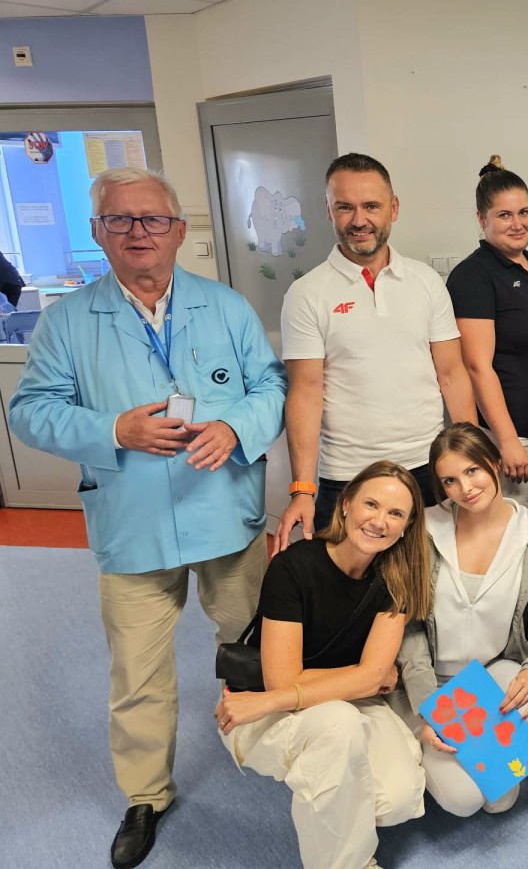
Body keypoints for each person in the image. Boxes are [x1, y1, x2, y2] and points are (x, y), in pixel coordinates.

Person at [9, 167, 286, 869]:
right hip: (132, 523)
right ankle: (145, 796)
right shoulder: (68, 321)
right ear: (98, 232)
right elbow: (30, 411)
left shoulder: (225, 306)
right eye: (120, 220)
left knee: (251, 641)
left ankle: (275, 752)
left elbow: (271, 386)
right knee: (137, 672)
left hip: (224, 509)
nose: (138, 232)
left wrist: (235, 427)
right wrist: (112, 430)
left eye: (153, 219)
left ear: (179, 230)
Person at [216, 461, 431, 869]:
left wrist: (367, 678)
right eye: (371, 504)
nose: (379, 521)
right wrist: (364, 677)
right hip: (260, 706)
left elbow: (369, 679)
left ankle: (329, 789)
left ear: (407, 526)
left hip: (344, 700)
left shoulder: (398, 578)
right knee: (337, 725)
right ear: (345, 503)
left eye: (395, 513)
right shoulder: (293, 566)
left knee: (397, 800)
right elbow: (281, 682)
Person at [275, 153, 476, 551]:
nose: (359, 220)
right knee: (348, 585)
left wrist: (470, 461)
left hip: (426, 466)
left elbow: (452, 374)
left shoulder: (426, 282)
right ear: (328, 211)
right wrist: (302, 488)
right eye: (344, 207)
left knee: (428, 580)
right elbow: (306, 392)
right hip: (347, 476)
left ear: (393, 209)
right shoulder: (306, 294)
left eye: (371, 206)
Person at [393, 423, 528, 816]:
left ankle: (488, 760)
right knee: (464, 801)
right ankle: (469, 758)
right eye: (450, 480)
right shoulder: (422, 529)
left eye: (472, 470)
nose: (465, 488)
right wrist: (429, 706)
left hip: (490, 674)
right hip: (429, 684)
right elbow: (408, 626)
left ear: (494, 462)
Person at [447, 156, 528, 506]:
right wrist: (507, 440)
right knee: (511, 527)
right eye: (504, 215)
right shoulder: (473, 276)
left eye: (524, 212)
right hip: (510, 436)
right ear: (482, 219)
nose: (517, 224)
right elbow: (476, 367)